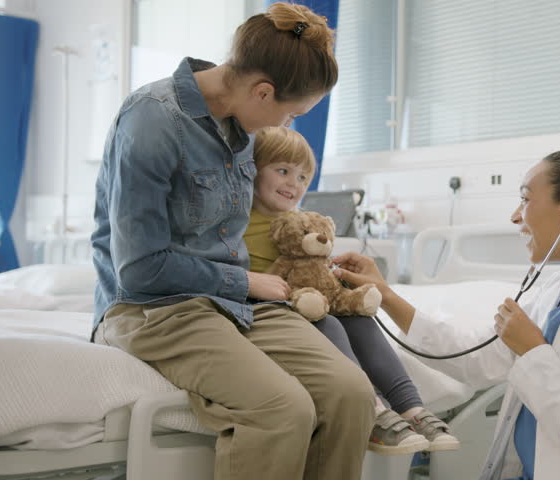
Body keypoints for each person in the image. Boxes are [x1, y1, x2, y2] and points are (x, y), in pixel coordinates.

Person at [90, 4, 376, 480]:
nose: (285, 126)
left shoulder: (241, 128)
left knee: (351, 393)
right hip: (153, 307)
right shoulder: (153, 121)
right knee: (282, 409)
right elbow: (138, 270)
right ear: (263, 92)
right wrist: (244, 280)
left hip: (233, 301)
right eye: (290, 113)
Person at [332, 148, 560, 479]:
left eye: (525, 199)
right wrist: (386, 295)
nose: (516, 216)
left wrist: (533, 351)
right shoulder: (553, 291)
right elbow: (473, 359)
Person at [243, 126, 459, 455]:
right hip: (271, 307)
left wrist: (332, 278)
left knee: (359, 319)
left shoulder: (303, 220)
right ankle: (370, 409)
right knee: (327, 324)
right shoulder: (236, 219)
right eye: (282, 171)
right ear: (253, 169)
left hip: (310, 301)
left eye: (302, 177)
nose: (293, 184)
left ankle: (412, 408)